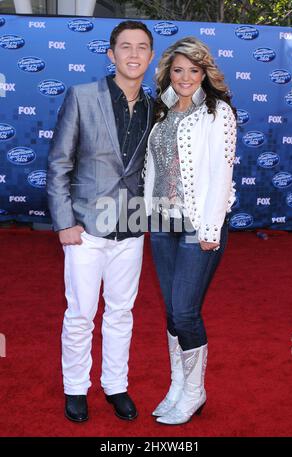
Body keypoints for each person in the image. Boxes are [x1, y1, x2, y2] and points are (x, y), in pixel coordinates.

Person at [47, 20, 154, 422]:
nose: (132, 54)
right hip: (85, 228)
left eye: (141, 47)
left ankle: (115, 385)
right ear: (111, 54)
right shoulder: (83, 95)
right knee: (79, 314)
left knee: (122, 313)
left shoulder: (153, 107)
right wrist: (63, 223)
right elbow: (59, 162)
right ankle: (76, 388)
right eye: (124, 46)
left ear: (150, 55)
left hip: (131, 226)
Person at [143, 36, 236, 425]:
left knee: (185, 311)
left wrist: (210, 228)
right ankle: (177, 386)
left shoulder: (219, 113)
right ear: (168, 72)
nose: (184, 78)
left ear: (205, 73)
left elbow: (221, 174)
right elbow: (151, 169)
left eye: (193, 71)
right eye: (178, 70)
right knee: (171, 312)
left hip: (199, 226)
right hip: (162, 224)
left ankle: (195, 392)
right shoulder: (160, 111)